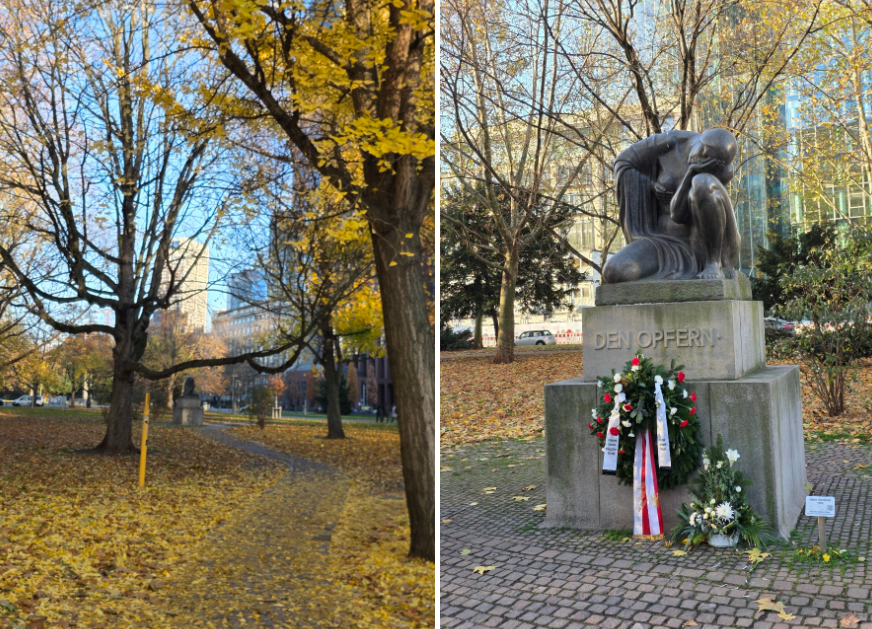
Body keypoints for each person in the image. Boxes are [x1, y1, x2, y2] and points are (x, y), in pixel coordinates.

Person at [602, 128, 741, 283]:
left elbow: (681, 214)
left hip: (702, 243)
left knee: (703, 182)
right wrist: (652, 186)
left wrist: (693, 172)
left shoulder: (722, 170)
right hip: (662, 240)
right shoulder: (671, 142)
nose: (701, 157)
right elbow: (623, 161)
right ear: (701, 138)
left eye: (709, 158)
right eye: (703, 150)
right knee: (614, 271)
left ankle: (713, 264)